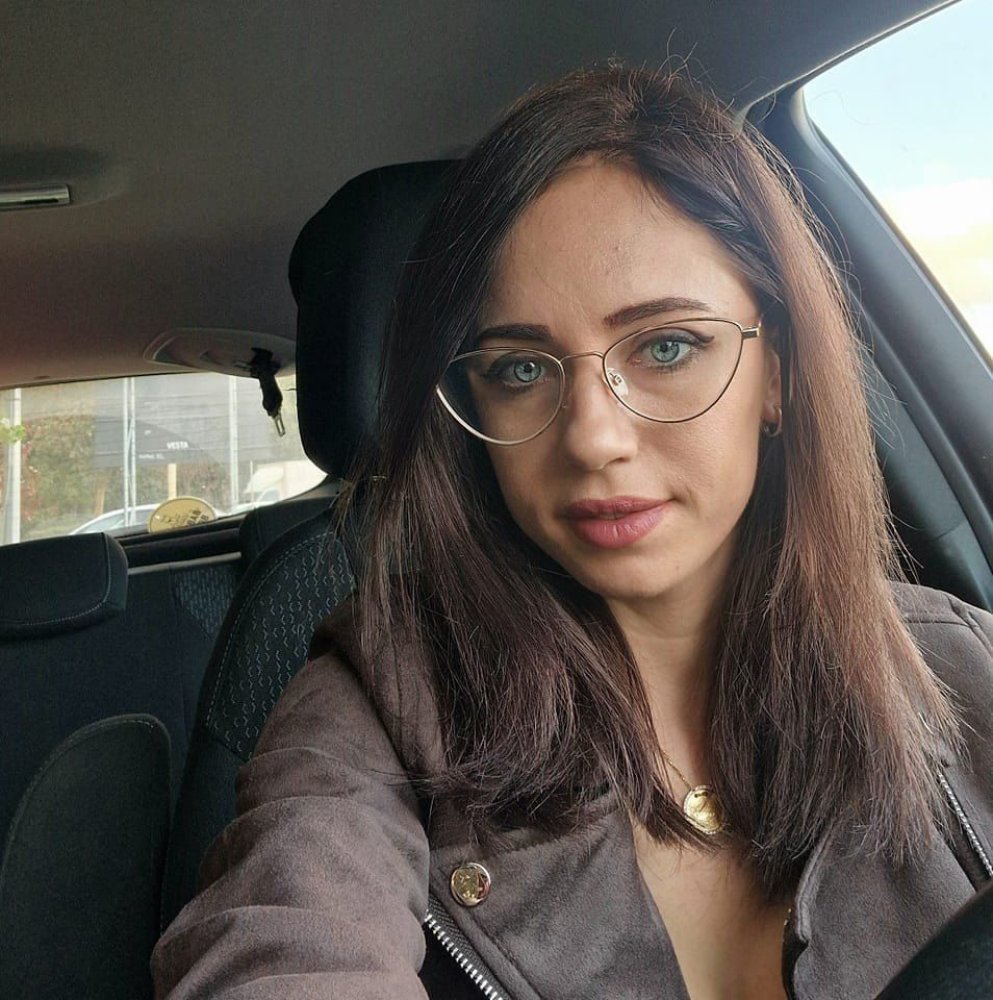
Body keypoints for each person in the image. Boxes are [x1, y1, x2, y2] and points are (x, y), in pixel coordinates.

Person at [151, 65, 993, 1000]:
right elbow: (283, 942)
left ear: (778, 376)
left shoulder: (960, 667)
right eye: (518, 369)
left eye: (667, 346)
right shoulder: (381, 703)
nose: (592, 438)